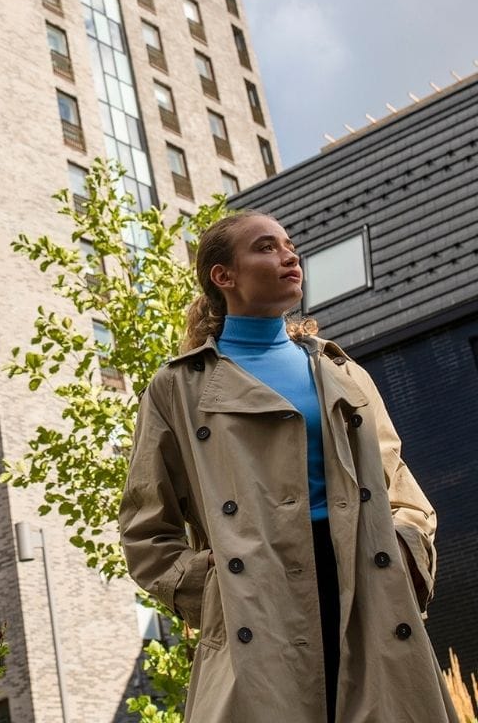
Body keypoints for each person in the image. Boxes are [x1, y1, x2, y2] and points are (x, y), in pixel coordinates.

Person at [119, 212, 456, 723]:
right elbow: (145, 529)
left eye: (289, 245)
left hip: (366, 584)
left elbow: (399, 486)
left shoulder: (342, 371)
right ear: (223, 276)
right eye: (266, 247)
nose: (289, 255)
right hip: (256, 601)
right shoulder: (178, 388)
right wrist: (215, 591)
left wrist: (405, 551)